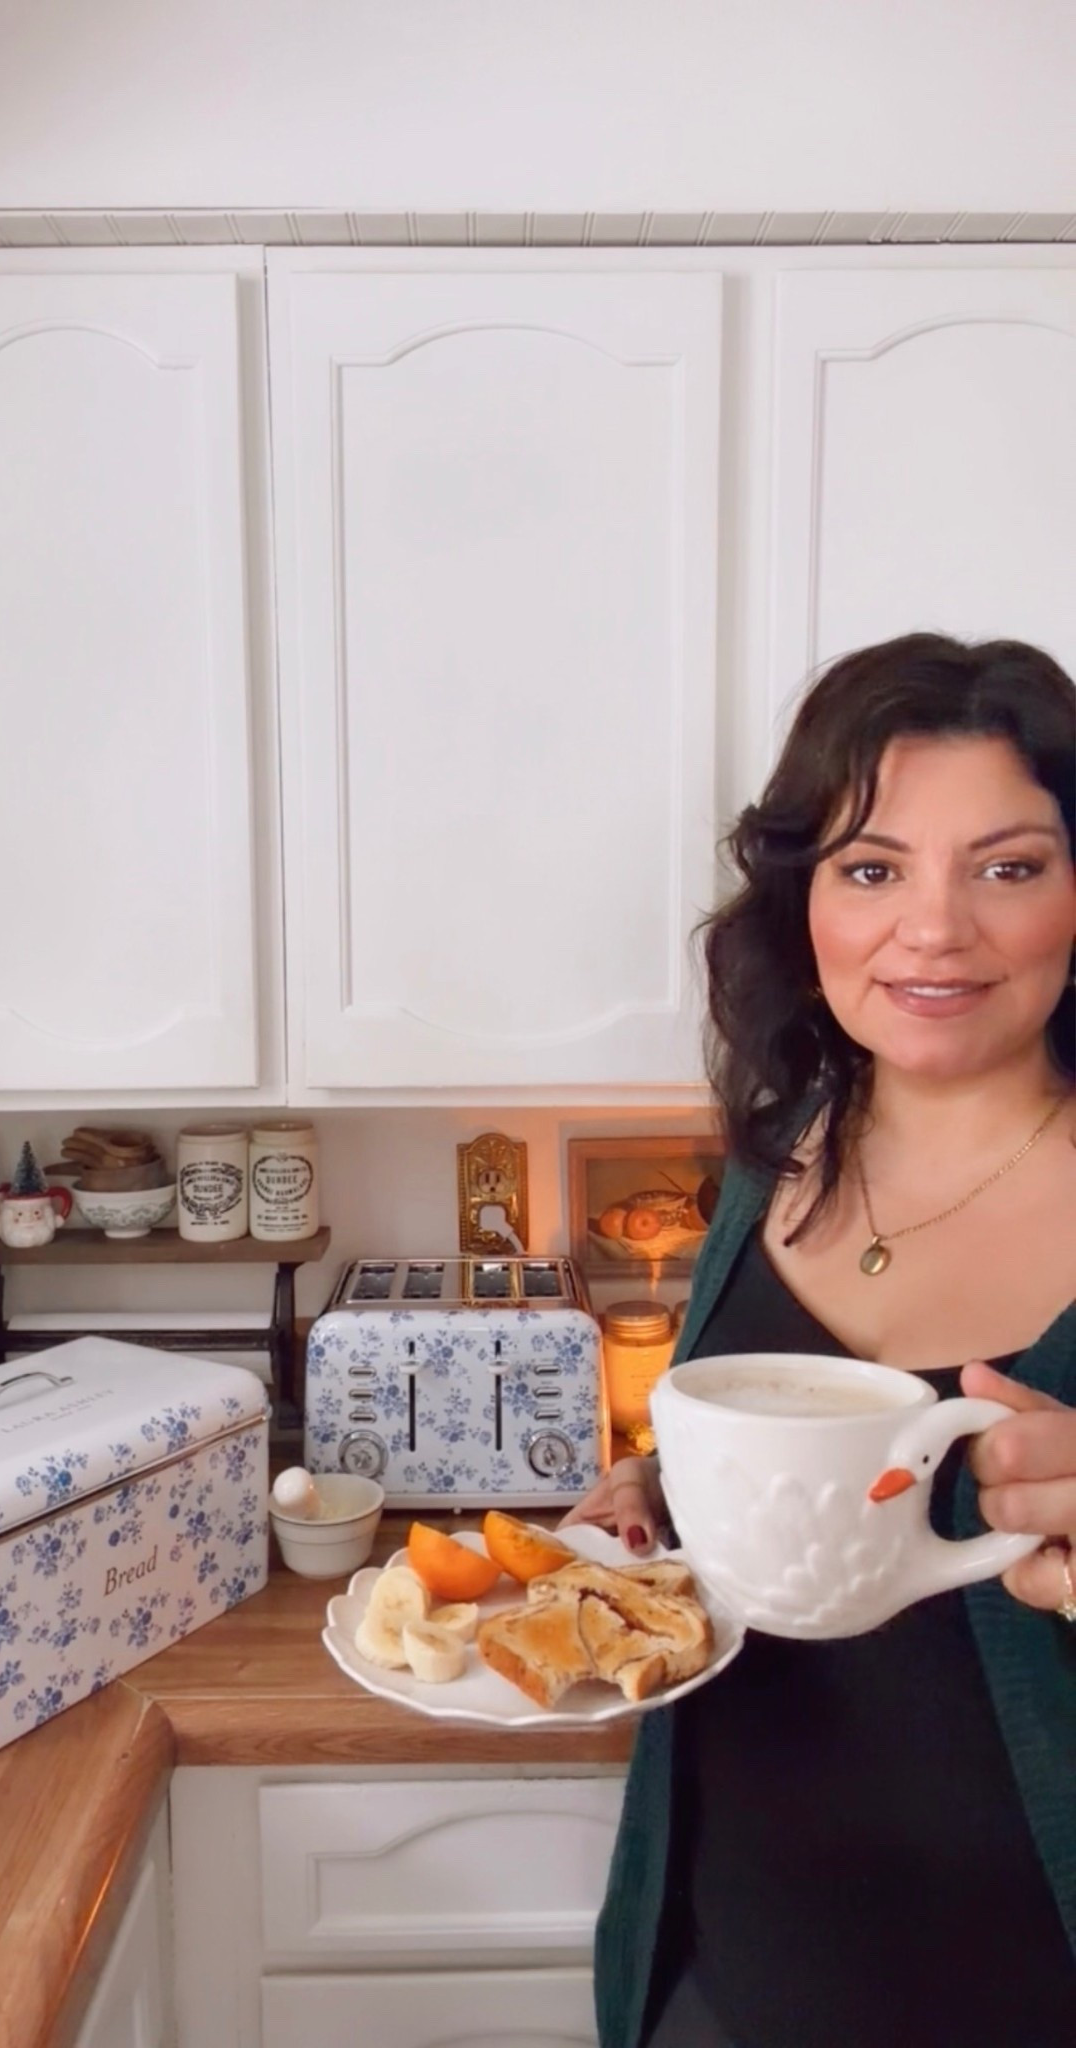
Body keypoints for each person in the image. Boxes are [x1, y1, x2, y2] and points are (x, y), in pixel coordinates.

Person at [561, 632, 1076, 2048]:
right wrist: (652, 1506)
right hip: (723, 1959)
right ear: (804, 905)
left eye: (1008, 865)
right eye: (870, 868)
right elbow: (761, 1488)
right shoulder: (768, 1158)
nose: (932, 929)